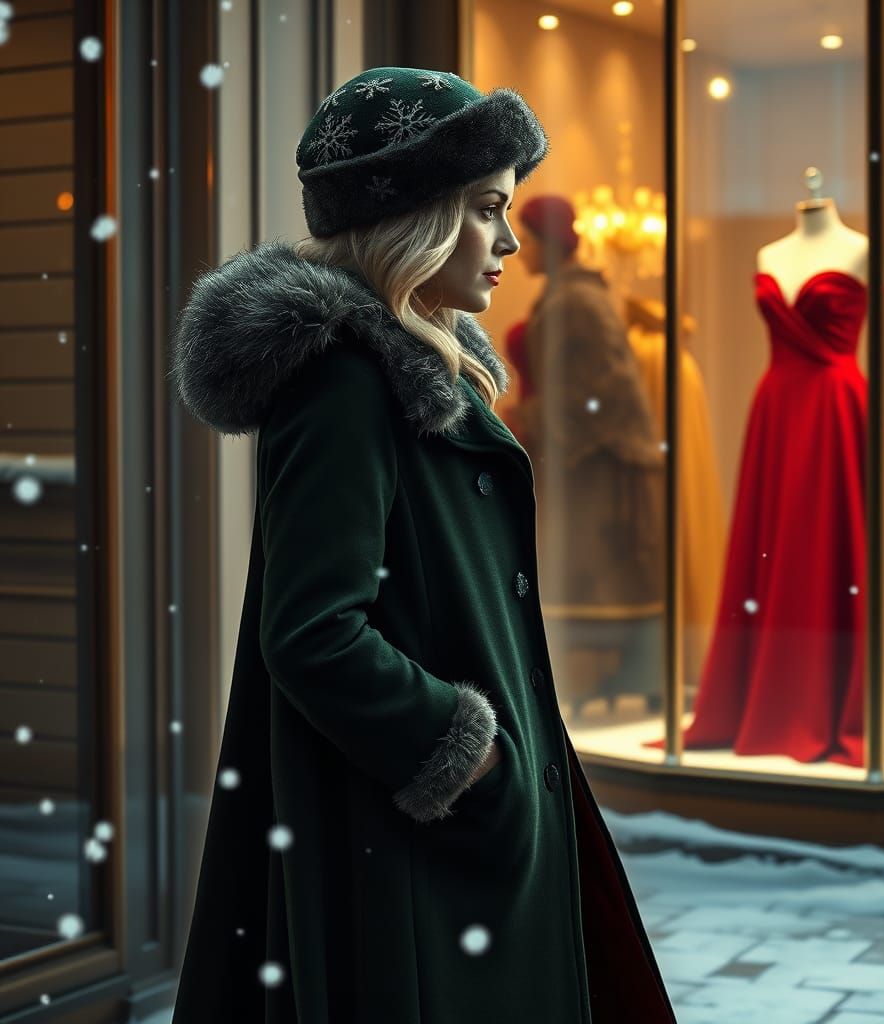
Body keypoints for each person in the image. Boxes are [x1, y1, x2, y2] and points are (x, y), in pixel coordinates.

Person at [168, 67, 676, 1024]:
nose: (510, 242)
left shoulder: (416, 371)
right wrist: (468, 755)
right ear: (417, 216)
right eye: (488, 209)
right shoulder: (347, 384)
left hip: (450, 839)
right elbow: (315, 633)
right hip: (409, 846)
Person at [505, 195, 667, 715]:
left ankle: (604, 677)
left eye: (526, 238)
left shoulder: (576, 302)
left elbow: (597, 391)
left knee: (595, 569)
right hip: (572, 459)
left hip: (593, 464)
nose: (516, 248)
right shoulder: (566, 297)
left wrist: (529, 418)